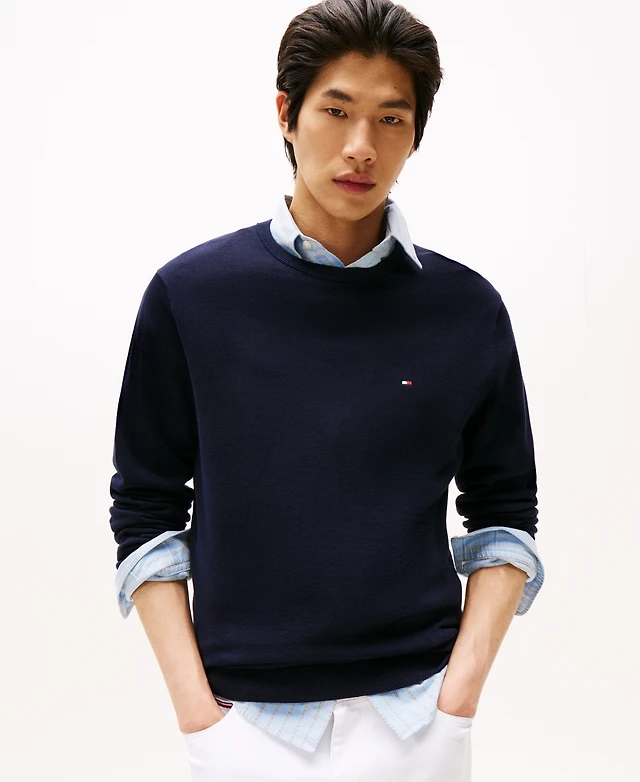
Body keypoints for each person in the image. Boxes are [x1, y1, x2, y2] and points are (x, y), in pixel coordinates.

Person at [109, 1, 544, 779]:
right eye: (336, 111)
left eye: (390, 119)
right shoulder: (191, 297)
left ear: (416, 134)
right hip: (246, 727)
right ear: (286, 113)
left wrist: (458, 700)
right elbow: (145, 507)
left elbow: (505, 509)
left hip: (418, 719)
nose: (360, 146)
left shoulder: (466, 310)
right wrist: (198, 715)